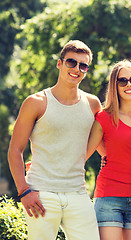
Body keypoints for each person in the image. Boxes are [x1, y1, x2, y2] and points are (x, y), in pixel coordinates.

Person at [7, 40, 101, 240]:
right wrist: (24, 191)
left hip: (77, 192)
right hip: (41, 193)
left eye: (83, 65)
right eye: (71, 62)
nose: (76, 69)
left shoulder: (93, 104)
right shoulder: (36, 102)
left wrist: (72, 160)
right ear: (60, 64)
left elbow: (95, 143)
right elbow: (15, 149)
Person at [86, 60, 131, 240]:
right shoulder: (103, 117)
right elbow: (82, 154)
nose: (129, 84)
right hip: (109, 197)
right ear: (114, 85)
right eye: (122, 80)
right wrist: (45, 164)